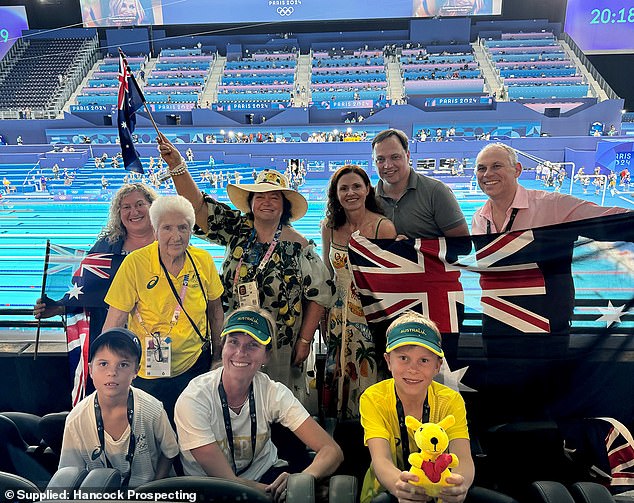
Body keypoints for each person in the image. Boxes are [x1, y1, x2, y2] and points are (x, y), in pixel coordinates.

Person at [157, 134, 335, 399]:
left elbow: (319, 296)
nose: (266, 202)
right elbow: (197, 207)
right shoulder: (236, 230)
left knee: (275, 403)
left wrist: (305, 341)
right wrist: (177, 166)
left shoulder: (299, 245)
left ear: (284, 206)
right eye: (260, 196)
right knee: (234, 399)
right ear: (250, 202)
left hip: (280, 343)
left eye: (274, 197)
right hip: (235, 335)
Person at [174, 307, 343, 500]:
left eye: (253, 345)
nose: (240, 352)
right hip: (208, 488)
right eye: (233, 342)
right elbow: (226, 481)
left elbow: (332, 451)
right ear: (222, 348)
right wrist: (285, 494)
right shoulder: (194, 399)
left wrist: (303, 480)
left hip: (265, 478)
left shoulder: (273, 392)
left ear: (266, 356)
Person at [102, 195, 224, 420]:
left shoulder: (203, 260)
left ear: (191, 230)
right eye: (167, 228)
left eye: (183, 227)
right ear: (156, 231)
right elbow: (114, 323)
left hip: (195, 365)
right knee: (153, 434)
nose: (176, 236)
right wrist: (110, 371)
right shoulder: (135, 264)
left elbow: (216, 311)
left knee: (192, 430)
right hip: (147, 371)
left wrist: (217, 357)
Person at [359, 311, 474, 503]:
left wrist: (460, 484)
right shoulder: (373, 398)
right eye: (403, 358)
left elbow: (463, 457)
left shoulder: (451, 400)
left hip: (440, 493)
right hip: (387, 493)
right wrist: (402, 487)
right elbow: (381, 460)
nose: (413, 369)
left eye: (424, 360)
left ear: (437, 366)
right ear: (388, 361)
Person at [34, 183, 158, 352]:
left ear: (152, 206)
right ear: (119, 213)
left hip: (159, 332)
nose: (134, 212)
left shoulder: (168, 243)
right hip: (116, 335)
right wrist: (58, 307)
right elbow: (87, 289)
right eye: (126, 207)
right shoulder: (106, 246)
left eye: (139, 204)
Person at [320, 165, 397, 419]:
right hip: (337, 316)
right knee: (339, 374)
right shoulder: (329, 226)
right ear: (336, 194)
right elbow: (328, 276)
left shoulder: (382, 228)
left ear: (367, 190)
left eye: (356, 186)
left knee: (367, 374)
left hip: (370, 316)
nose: (350, 192)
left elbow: (390, 283)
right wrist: (323, 316)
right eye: (343, 188)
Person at [58, 328, 179, 488]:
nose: (112, 372)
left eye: (123, 364)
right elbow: (70, 473)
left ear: (136, 370)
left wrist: (154, 488)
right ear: (90, 369)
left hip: (147, 492)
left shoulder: (152, 409)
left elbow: (169, 451)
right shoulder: (76, 420)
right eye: (103, 364)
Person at [471, 143, 629, 234]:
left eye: (497, 166)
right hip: (492, 293)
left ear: (517, 170)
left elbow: (612, 218)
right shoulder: (479, 218)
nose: (488, 174)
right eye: (481, 168)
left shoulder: (552, 205)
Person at [372, 129, 468, 239]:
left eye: (395, 157)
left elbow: (463, 244)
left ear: (407, 156)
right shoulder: (370, 199)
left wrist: (413, 247)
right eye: (380, 159)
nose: (387, 165)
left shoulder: (436, 192)